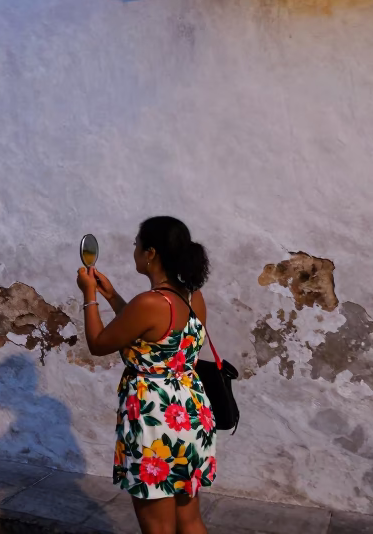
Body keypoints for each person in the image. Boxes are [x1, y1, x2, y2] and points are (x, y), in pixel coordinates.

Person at [77, 216, 216, 534]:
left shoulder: (149, 303)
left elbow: (99, 343)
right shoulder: (192, 296)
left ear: (151, 253)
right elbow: (151, 334)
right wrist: (112, 296)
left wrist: (90, 295)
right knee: (190, 519)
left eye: (137, 245)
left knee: (158, 527)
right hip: (190, 413)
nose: (135, 250)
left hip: (155, 420)